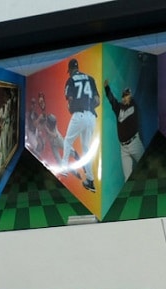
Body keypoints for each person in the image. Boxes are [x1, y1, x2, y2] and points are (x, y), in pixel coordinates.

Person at [61, 57, 100, 192]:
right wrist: (88, 105)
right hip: (91, 116)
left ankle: (64, 168)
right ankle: (90, 180)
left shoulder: (71, 80)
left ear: (70, 70)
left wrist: (76, 106)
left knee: (67, 141)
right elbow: (97, 100)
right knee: (86, 149)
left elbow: (70, 100)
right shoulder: (90, 78)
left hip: (79, 115)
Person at [103, 78, 144, 178]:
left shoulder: (134, 107)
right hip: (123, 148)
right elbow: (111, 100)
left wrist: (130, 98)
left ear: (130, 96)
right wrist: (106, 88)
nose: (125, 97)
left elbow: (131, 106)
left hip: (134, 143)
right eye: (124, 95)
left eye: (127, 95)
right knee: (127, 177)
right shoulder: (118, 108)